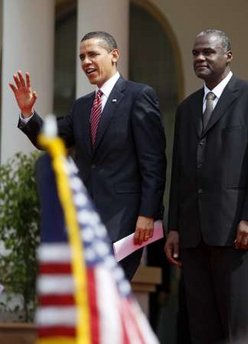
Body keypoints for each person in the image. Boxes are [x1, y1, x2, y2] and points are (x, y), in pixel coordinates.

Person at [9, 31, 166, 281]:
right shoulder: (82, 106)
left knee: (110, 295)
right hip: (85, 222)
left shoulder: (139, 96)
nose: (85, 62)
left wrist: (148, 214)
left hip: (123, 222)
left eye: (93, 54)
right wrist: (28, 113)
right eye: (82, 57)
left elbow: (153, 161)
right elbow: (50, 139)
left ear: (114, 55)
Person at [164, 29, 248, 343]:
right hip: (193, 234)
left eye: (208, 52)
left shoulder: (246, 97)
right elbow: (180, 172)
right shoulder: (186, 109)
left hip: (235, 233)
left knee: (237, 328)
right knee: (201, 328)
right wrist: (174, 227)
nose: (200, 58)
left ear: (228, 56)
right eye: (196, 53)